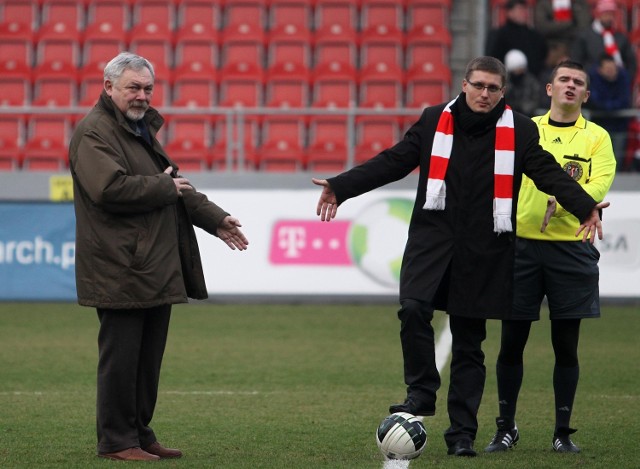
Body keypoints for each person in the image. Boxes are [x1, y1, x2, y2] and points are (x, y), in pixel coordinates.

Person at [312, 56, 609, 457]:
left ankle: (462, 436)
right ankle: (420, 393)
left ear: (502, 93)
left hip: (486, 246)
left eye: (492, 88)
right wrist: (341, 186)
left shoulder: (519, 130)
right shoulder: (434, 120)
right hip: (433, 239)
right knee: (414, 308)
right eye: (478, 85)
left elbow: (548, 172)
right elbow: (395, 161)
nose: (484, 94)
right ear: (464, 85)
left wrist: (584, 204)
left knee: (469, 342)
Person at [69, 52, 249, 461]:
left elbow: (177, 186)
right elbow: (110, 190)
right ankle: (117, 440)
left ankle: (138, 432)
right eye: (133, 87)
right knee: (121, 358)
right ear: (108, 85)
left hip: (150, 265)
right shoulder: (94, 132)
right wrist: (163, 186)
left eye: (147, 88)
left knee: (146, 361)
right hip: (120, 266)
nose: (142, 96)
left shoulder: (137, 130)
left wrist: (216, 219)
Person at [485, 60, 615, 454]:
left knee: (566, 345)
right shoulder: (526, 131)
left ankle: (562, 432)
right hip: (520, 246)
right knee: (511, 343)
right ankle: (505, 428)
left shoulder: (597, 138)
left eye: (578, 82)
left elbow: (596, 188)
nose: (570, 86)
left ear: (586, 95)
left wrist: (559, 205)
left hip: (571, 249)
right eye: (564, 80)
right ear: (549, 88)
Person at [586, 53, 632, 169]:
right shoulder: (592, 78)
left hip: (619, 125)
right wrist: (611, 106)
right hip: (598, 125)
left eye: (613, 69)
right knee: (597, 160)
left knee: (617, 160)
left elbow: (625, 100)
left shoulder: (623, 77)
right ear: (600, 70)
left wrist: (607, 106)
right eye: (607, 69)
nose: (611, 72)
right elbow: (594, 100)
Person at [570, 0, 637, 80]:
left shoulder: (620, 37)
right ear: (598, 14)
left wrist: (623, 77)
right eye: (606, 14)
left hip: (617, 83)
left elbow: (631, 63)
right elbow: (577, 61)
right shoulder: (584, 36)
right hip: (592, 82)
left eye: (612, 14)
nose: (609, 18)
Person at [485, 0, 548, 77]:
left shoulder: (534, 35)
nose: (524, 13)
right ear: (509, 12)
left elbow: (542, 55)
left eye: (524, 9)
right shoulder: (499, 35)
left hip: (532, 80)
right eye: (519, 9)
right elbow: (492, 58)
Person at [534, 0, 592, 68]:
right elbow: (542, 28)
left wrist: (556, 27)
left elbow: (584, 28)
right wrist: (569, 23)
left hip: (575, 47)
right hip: (552, 47)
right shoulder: (543, 3)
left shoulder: (579, 3)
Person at [504, 49, 542, 117]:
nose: (519, 73)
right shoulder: (505, 82)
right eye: (516, 70)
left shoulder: (531, 81)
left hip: (527, 115)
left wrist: (524, 109)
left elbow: (535, 99)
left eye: (521, 69)